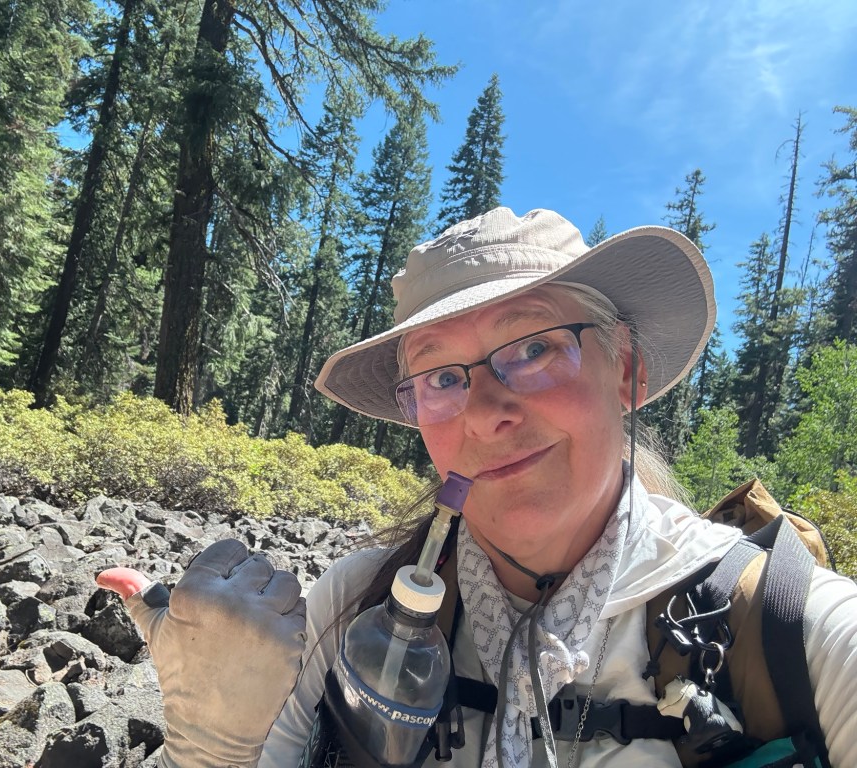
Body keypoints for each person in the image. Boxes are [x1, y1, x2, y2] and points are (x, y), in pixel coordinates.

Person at [97, 207, 857, 768]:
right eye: (440, 377)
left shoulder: (796, 633)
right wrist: (214, 746)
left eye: (534, 348)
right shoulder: (350, 606)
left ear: (625, 369)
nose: (487, 413)